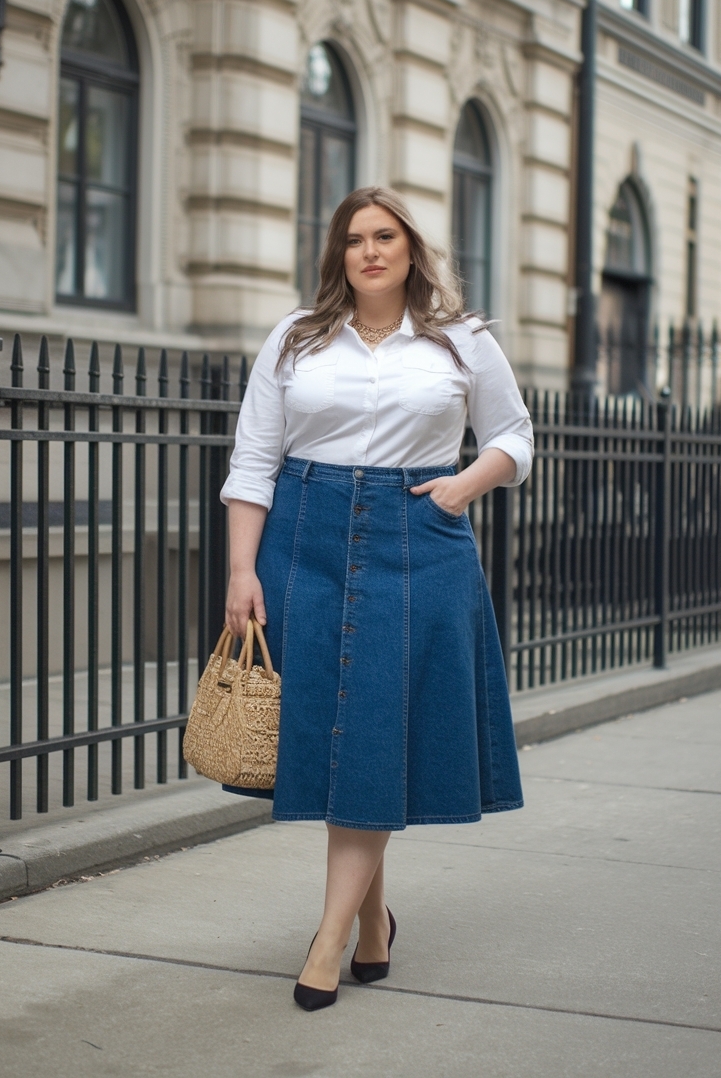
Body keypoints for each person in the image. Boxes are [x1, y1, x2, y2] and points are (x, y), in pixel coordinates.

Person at [221, 186, 533, 1011]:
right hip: (306, 541)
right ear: (338, 254)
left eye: (384, 235)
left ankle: (328, 938)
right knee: (341, 732)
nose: (369, 250)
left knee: (371, 731)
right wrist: (241, 572)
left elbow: (514, 436)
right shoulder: (295, 338)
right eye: (354, 238)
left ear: (410, 248)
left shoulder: (462, 343)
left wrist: (464, 486)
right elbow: (253, 462)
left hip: (417, 540)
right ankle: (371, 928)